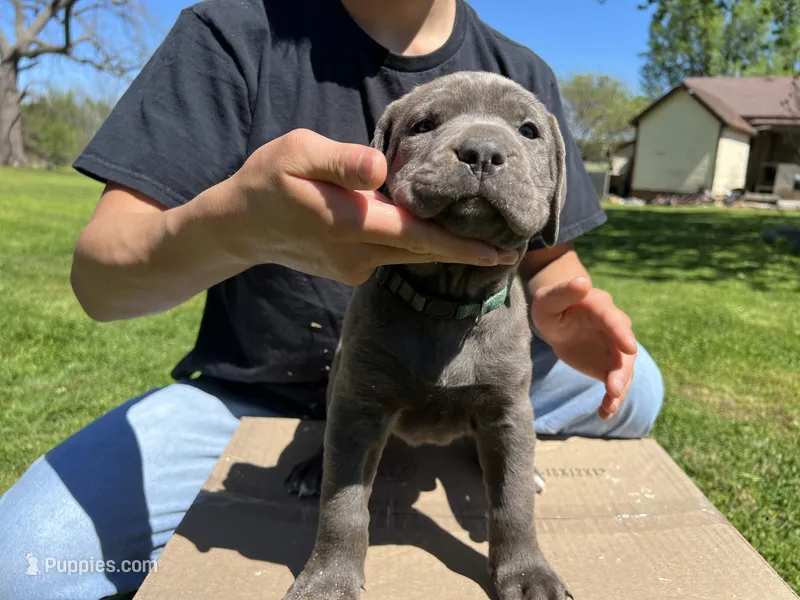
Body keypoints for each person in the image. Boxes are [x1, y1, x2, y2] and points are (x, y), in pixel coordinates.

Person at [0, 1, 664, 598]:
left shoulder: (524, 70)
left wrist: (556, 297)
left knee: (638, 389)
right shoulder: (233, 35)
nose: (482, 148)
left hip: (483, 346)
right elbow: (99, 279)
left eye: (520, 134)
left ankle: (474, 436)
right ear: (384, 149)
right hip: (258, 395)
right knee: (22, 564)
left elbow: (550, 254)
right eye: (430, 124)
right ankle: (354, 444)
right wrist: (238, 227)